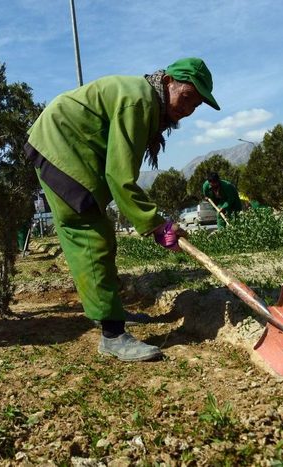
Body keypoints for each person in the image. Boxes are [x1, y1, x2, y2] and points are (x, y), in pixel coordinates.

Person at [24, 57, 219, 362]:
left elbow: (118, 171)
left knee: (100, 234)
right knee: (91, 236)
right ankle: (112, 335)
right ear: (168, 82)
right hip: (61, 145)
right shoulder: (138, 102)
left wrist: (151, 221)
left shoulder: (145, 100)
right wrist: (156, 224)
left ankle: (109, 312)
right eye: (186, 97)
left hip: (67, 144)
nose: (188, 109)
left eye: (196, 105)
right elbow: (120, 176)